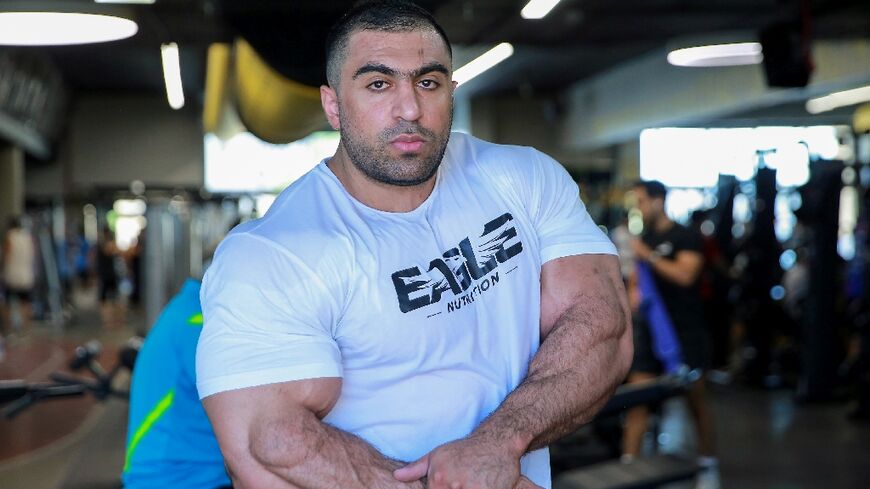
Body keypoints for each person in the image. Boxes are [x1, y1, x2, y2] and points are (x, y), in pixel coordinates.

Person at [196, 2, 632, 489]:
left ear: (451, 90)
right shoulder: (272, 253)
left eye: (428, 82)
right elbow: (269, 446)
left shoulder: (523, 177)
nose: (409, 109)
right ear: (333, 104)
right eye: (378, 84)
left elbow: (603, 328)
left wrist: (500, 442)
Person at [622, 180, 718, 488]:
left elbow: (685, 275)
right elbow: (636, 287)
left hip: (685, 333)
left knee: (696, 405)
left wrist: (647, 255)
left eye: (641, 201)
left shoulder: (685, 236)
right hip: (651, 335)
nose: (638, 208)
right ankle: (627, 471)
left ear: (658, 200)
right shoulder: (646, 238)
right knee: (637, 404)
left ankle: (707, 466)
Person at [122, 278, 231, 489]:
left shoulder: (188, 308)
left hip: (182, 474)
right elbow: (246, 402)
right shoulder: (197, 321)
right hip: (180, 479)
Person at [2, 216, 37, 337]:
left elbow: (7, 256)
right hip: (26, 274)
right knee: (25, 302)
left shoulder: (10, 237)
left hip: (12, 274)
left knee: (7, 302)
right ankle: (26, 328)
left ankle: (9, 328)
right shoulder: (28, 237)